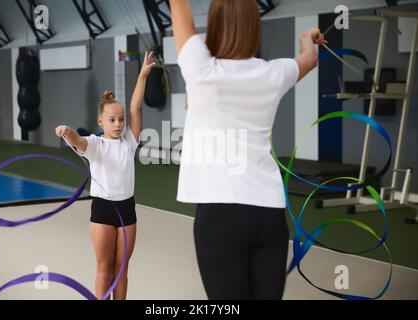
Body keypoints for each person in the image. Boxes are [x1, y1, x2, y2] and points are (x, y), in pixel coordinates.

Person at [169, 0, 327, 300]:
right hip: (268, 216)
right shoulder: (274, 72)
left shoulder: (201, 69)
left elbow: (178, 7)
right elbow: (309, 58)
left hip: (220, 216)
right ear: (255, 27)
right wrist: (307, 37)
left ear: (215, 25)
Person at [55, 52, 155, 300]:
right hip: (102, 210)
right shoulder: (95, 144)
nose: (119, 123)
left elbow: (135, 106)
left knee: (122, 270)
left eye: (121, 119)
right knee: (104, 269)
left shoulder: (130, 142)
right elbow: (77, 141)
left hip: (127, 209)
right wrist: (67, 132)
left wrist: (142, 74)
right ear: (101, 120)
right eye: (112, 119)